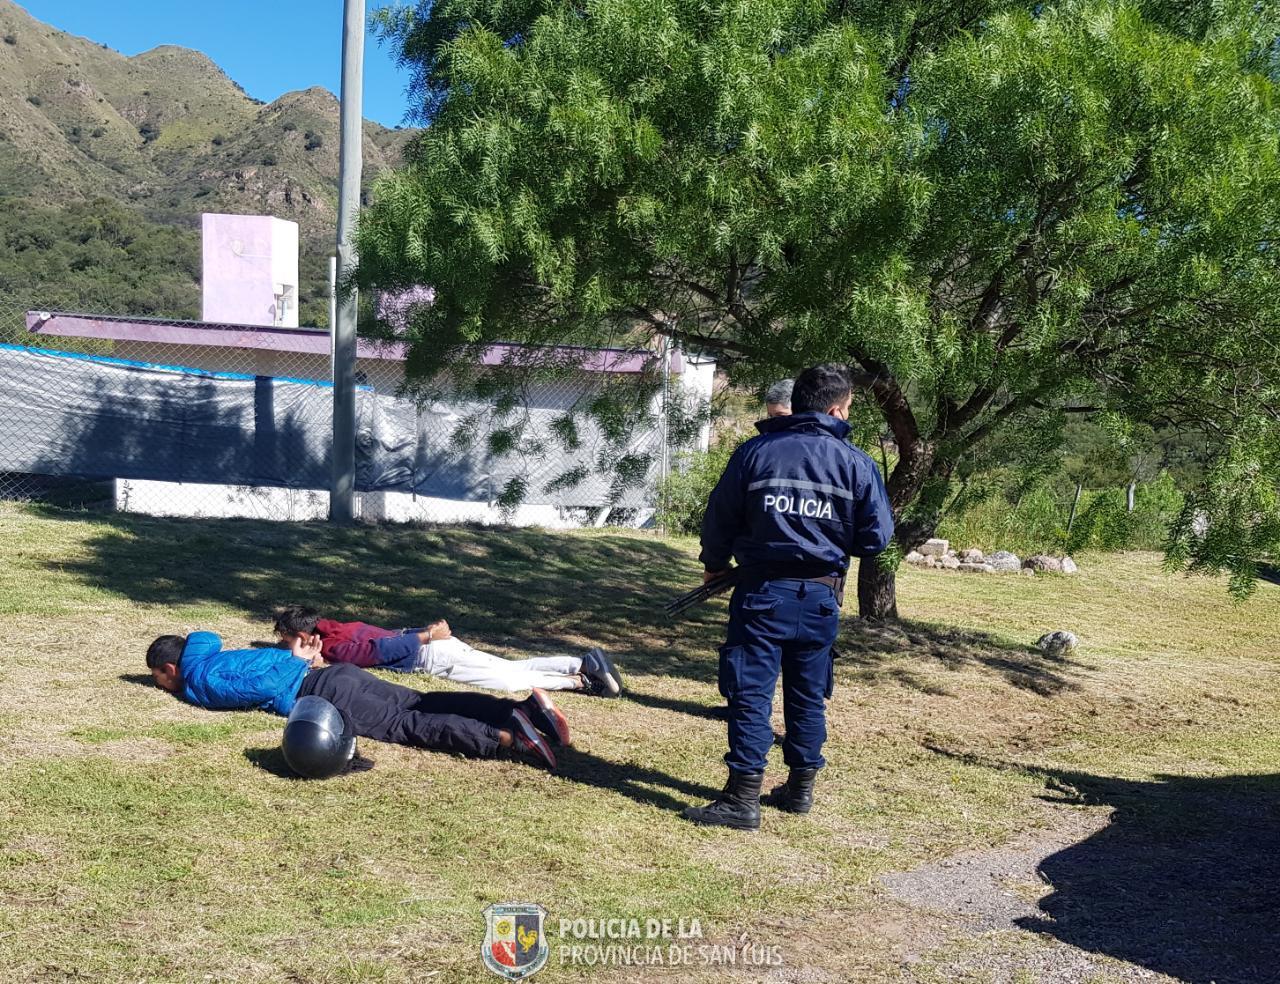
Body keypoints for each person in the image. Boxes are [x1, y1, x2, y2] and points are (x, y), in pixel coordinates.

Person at [683, 364, 894, 830]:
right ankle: (799, 789)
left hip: (760, 594)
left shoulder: (754, 452)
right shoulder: (857, 464)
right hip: (821, 598)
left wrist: (715, 567)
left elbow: (720, 518)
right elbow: (876, 538)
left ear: (797, 403)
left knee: (750, 693)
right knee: (807, 695)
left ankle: (742, 799)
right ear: (838, 409)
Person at [144, 630, 570, 770]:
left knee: (405, 724)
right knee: (420, 701)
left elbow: (262, 689)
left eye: (157, 680)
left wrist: (294, 663)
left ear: (171, 669)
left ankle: (510, 739)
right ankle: (517, 710)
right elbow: (212, 640)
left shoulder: (201, 679)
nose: (161, 687)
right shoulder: (212, 652)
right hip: (333, 674)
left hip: (318, 690)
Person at [271, 605, 622, 697]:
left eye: (285, 640)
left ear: (301, 634)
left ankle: (581, 682)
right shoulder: (337, 627)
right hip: (437, 645)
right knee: (509, 666)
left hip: (431, 653)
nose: (282, 645)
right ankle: (584, 663)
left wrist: (425, 637)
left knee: (506, 680)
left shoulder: (333, 643)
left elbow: (376, 650)